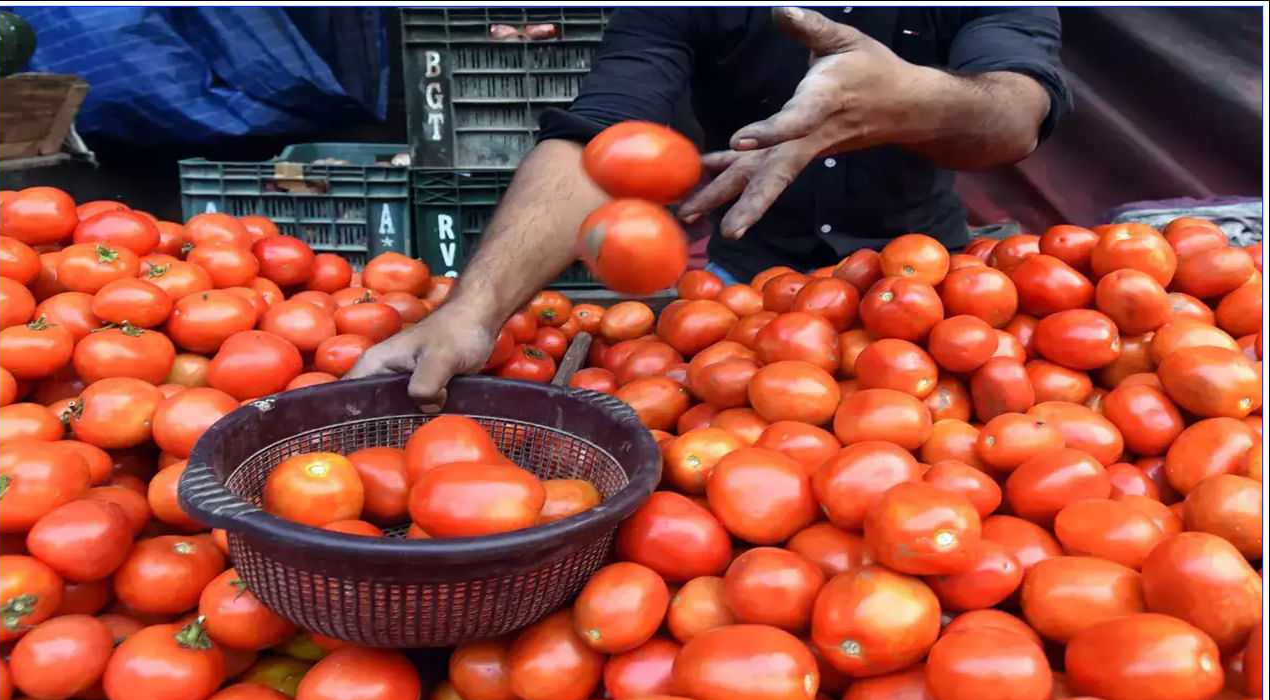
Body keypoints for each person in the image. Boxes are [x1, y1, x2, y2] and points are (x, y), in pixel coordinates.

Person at [347, 7, 1071, 405]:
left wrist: (909, 102)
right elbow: (601, 139)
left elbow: (1017, 112)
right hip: (743, 299)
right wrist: (473, 312)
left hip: (930, 296)